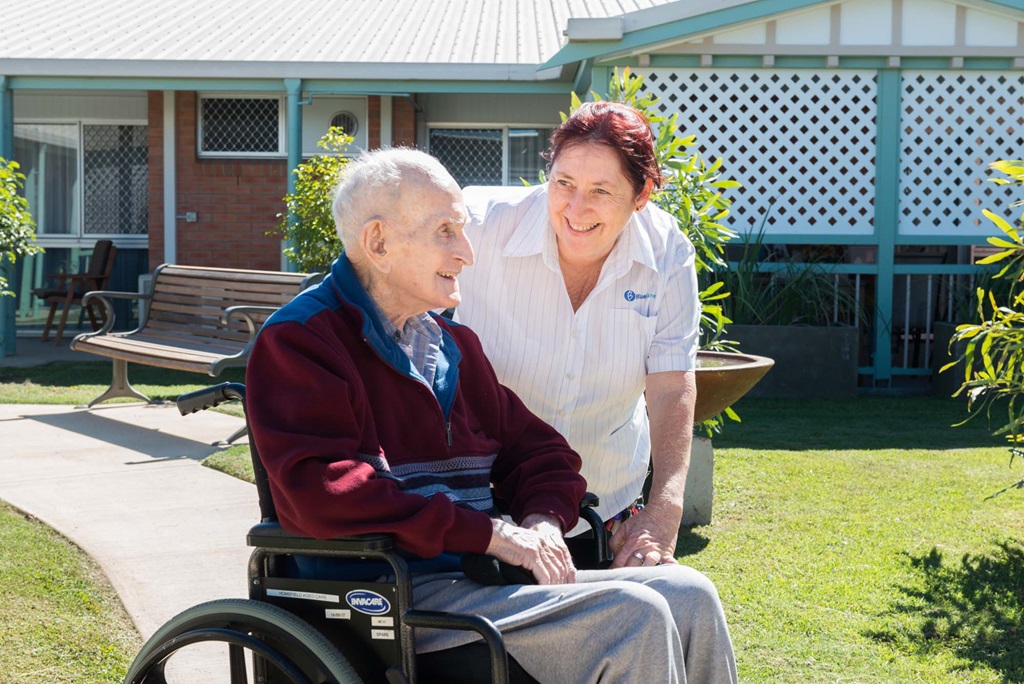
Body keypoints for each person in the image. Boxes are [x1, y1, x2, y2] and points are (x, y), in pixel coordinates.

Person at [246, 148, 737, 683]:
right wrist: (490, 535)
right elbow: (326, 495)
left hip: (479, 579)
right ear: (378, 243)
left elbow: (544, 452)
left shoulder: (452, 345)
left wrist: (542, 523)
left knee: (690, 595)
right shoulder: (301, 343)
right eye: (446, 232)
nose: (468, 253)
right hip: (385, 596)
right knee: (633, 619)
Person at [457, 101, 699, 567]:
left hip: (606, 508)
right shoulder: (479, 228)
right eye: (563, 183)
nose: (575, 208)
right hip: (488, 508)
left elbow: (671, 385)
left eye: (600, 191)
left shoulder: (668, 252)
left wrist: (664, 507)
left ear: (642, 192)